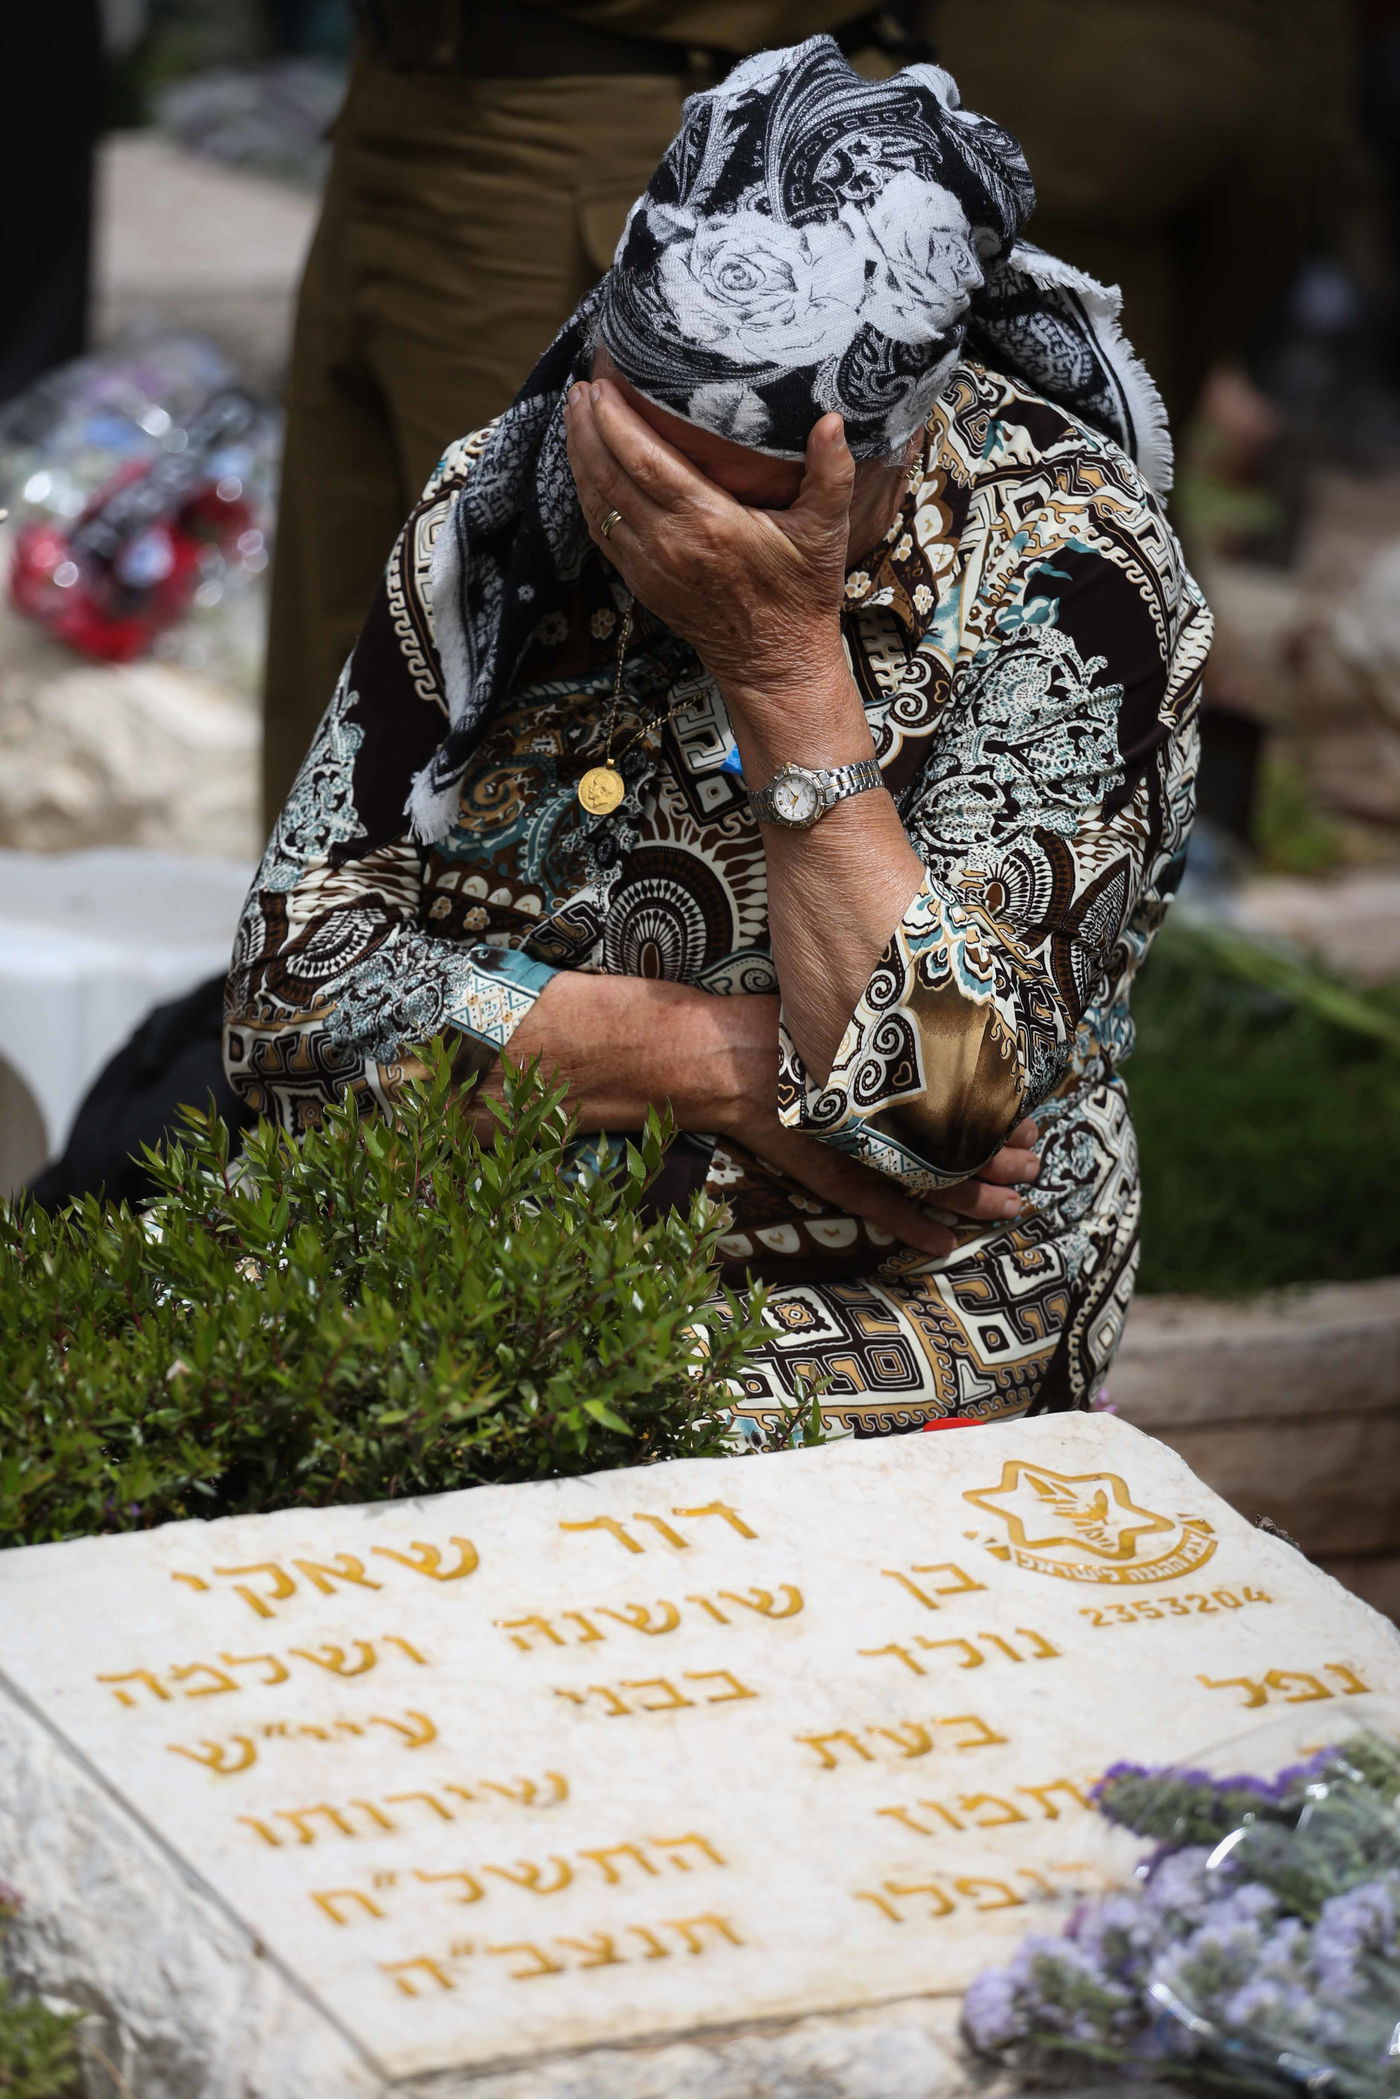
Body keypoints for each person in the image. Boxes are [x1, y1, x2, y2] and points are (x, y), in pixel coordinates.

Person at [226, 36, 1212, 1445]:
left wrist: (784, 665)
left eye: (735, 498)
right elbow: (292, 1017)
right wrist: (709, 1056)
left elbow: (938, 1116)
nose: (662, 530)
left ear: (891, 450)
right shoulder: (506, 508)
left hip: (886, 1313)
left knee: (574, 1451)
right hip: (481, 1256)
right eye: (636, 453)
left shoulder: (1075, 578)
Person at [261, 0, 924, 823]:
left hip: (599, 93)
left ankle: (524, 951)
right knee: (345, 637)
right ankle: (313, 934)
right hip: (397, 86)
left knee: (547, 674)